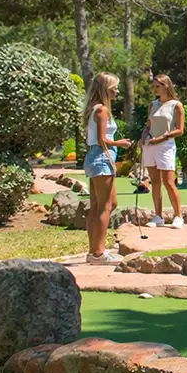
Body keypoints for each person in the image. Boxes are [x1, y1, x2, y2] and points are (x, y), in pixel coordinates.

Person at [82, 73, 132, 265]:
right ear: (105, 89)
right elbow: (103, 140)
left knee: (99, 206)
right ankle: (99, 253)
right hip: (102, 156)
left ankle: (94, 250)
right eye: (114, 88)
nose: (117, 91)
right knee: (106, 206)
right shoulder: (101, 110)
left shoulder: (94, 109)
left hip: (97, 157)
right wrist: (120, 143)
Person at [140, 74, 185, 228]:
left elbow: (180, 130)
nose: (154, 89)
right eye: (153, 86)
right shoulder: (152, 105)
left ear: (166, 86)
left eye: (157, 86)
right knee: (155, 182)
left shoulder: (176, 105)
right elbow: (148, 125)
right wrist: (143, 138)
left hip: (166, 145)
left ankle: (178, 216)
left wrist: (161, 138)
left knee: (168, 181)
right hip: (150, 145)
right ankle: (158, 216)